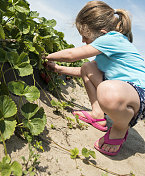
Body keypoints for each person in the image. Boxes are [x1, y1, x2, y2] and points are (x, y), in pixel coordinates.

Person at [43, 1, 145, 156]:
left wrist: (45, 56)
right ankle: (97, 114)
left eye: (85, 36)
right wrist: (58, 68)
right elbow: (84, 72)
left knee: (106, 90)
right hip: (124, 92)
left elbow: (71, 55)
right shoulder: (106, 49)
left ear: (102, 33)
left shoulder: (112, 39)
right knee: (88, 67)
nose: (83, 41)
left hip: (139, 96)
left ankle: (119, 128)